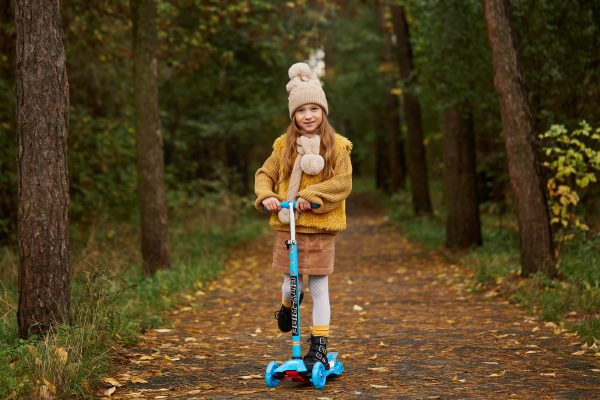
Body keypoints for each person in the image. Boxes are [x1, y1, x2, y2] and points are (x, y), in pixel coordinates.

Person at [254, 62, 352, 372]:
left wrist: (311, 197)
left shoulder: (336, 146)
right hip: (289, 226)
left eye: (314, 108)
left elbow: (342, 183)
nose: (308, 115)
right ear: (293, 115)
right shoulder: (283, 146)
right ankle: (286, 308)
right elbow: (264, 174)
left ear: (323, 111)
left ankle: (318, 347)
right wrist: (268, 196)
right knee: (290, 286)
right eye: (301, 110)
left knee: (319, 286)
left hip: (320, 228)